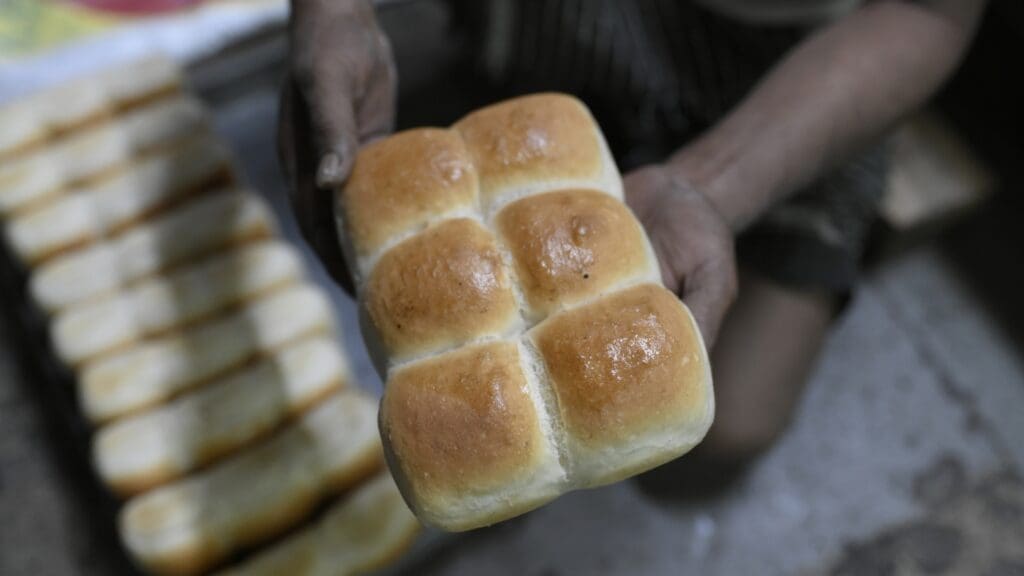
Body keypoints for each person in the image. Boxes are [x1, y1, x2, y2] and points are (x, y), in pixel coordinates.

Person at [278, 0, 987, 473]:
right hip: (562, 18)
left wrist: (712, 183)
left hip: (803, 69)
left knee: (725, 431)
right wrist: (332, 10)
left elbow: (929, 11)